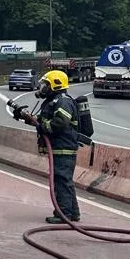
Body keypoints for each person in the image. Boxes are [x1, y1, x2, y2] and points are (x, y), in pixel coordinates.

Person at [14, 69, 81, 224]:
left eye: (45, 85)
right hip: (60, 147)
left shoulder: (63, 101)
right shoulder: (53, 101)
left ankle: (63, 214)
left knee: (61, 181)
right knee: (65, 181)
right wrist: (23, 116)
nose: (42, 87)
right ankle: (73, 213)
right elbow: (41, 121)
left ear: (55, 85)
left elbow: (60, 123)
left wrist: (42, 125)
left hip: (63, 148)